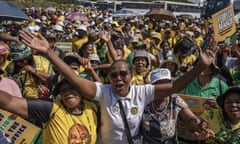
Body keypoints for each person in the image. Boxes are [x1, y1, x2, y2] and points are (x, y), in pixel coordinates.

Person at [19, 29, 218, 143]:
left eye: (123, 73)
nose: (118, 78)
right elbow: (74, 79)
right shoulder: (103, 91)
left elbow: (175, 86)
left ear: (131, 76)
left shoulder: (142, 91)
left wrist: (200, 66)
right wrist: (48, 52)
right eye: (113, 75)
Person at [0, 78, 98, 144]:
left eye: (73, 88)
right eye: (63, 90)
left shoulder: (92, 109)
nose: (68, 92)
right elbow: (10, 102)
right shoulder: (52, 108)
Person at [141, 68, 215, 143]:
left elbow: (189, 118)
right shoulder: (144, 101)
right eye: (160, 84)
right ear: (152, 86)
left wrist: (199, 123)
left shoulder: (175, 99)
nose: (164, 87)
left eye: (167, 83)